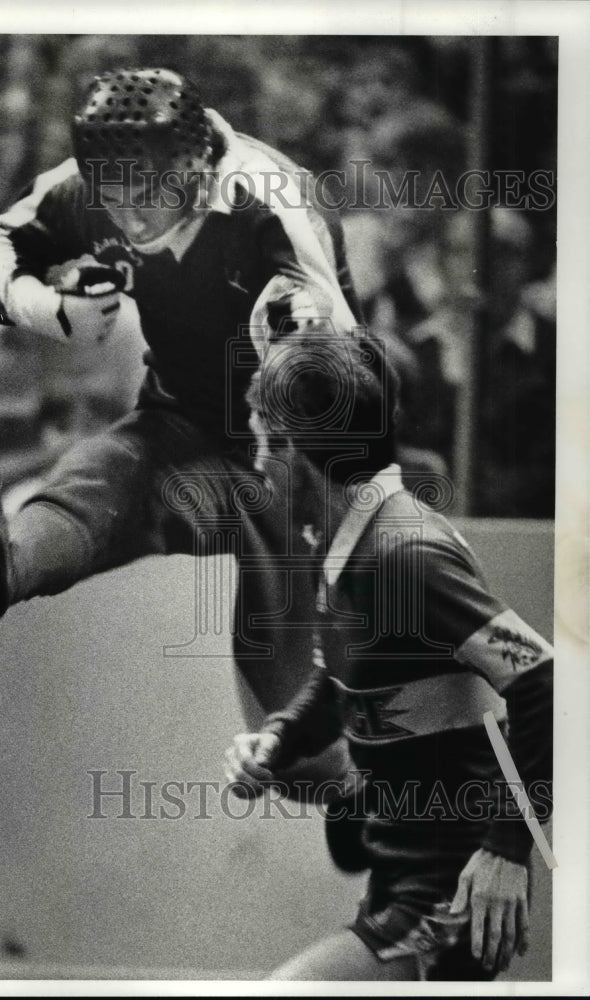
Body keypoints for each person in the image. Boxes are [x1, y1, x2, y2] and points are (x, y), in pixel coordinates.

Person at [0, 67, 363, 720]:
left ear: (196, 163)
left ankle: (344, 765)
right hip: (180, 420)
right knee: (100, 469)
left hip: (301, 451)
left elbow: (341, 351)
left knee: (290, 740)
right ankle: (2, 570)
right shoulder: (80, 188)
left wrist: (291, 336)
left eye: (148, 192)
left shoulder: (271, 198)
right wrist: (44, 305)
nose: (129, 217)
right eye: (111, 195)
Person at [224, 335, 553, 981]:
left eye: (263, 439)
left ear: (298, 447)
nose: (257, 462)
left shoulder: (404, 554)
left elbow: (544, 679)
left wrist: (509, 849)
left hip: (446, 899)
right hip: (400, 885)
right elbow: (342, 677)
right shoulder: (351, 543)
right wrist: (279, 740)